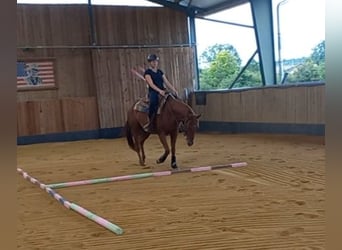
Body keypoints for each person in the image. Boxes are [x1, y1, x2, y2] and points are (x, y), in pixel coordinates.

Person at [143, 54, 178, 132]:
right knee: (153, 103)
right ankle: (151, 123)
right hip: (153, 92)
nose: (155, 63)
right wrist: (159, 91)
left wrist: (174, 89)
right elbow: (151, 84)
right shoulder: (147, 72)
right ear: (150, 63)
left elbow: (166, 82)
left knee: (173, 100)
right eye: (152, 61)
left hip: (163, 90)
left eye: (156, 61)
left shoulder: (160, 72)